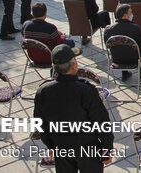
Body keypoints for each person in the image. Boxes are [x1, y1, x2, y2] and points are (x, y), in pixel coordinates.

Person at [34, 44, 114, 172]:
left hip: (61, 147)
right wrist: (107, 147)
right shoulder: (86, 91)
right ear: (74, 65)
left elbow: (39, 123)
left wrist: (51, 145)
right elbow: (101, 122)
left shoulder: (43, 92)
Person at [104, 3, 141, 81]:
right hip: (134, 59)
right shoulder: (135, 28)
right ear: (125, 16)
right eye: (130, 13)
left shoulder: (108, 29)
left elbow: (107, 44)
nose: (132, 15)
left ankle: (124, 73)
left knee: (121, 48)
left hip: (116, 59)